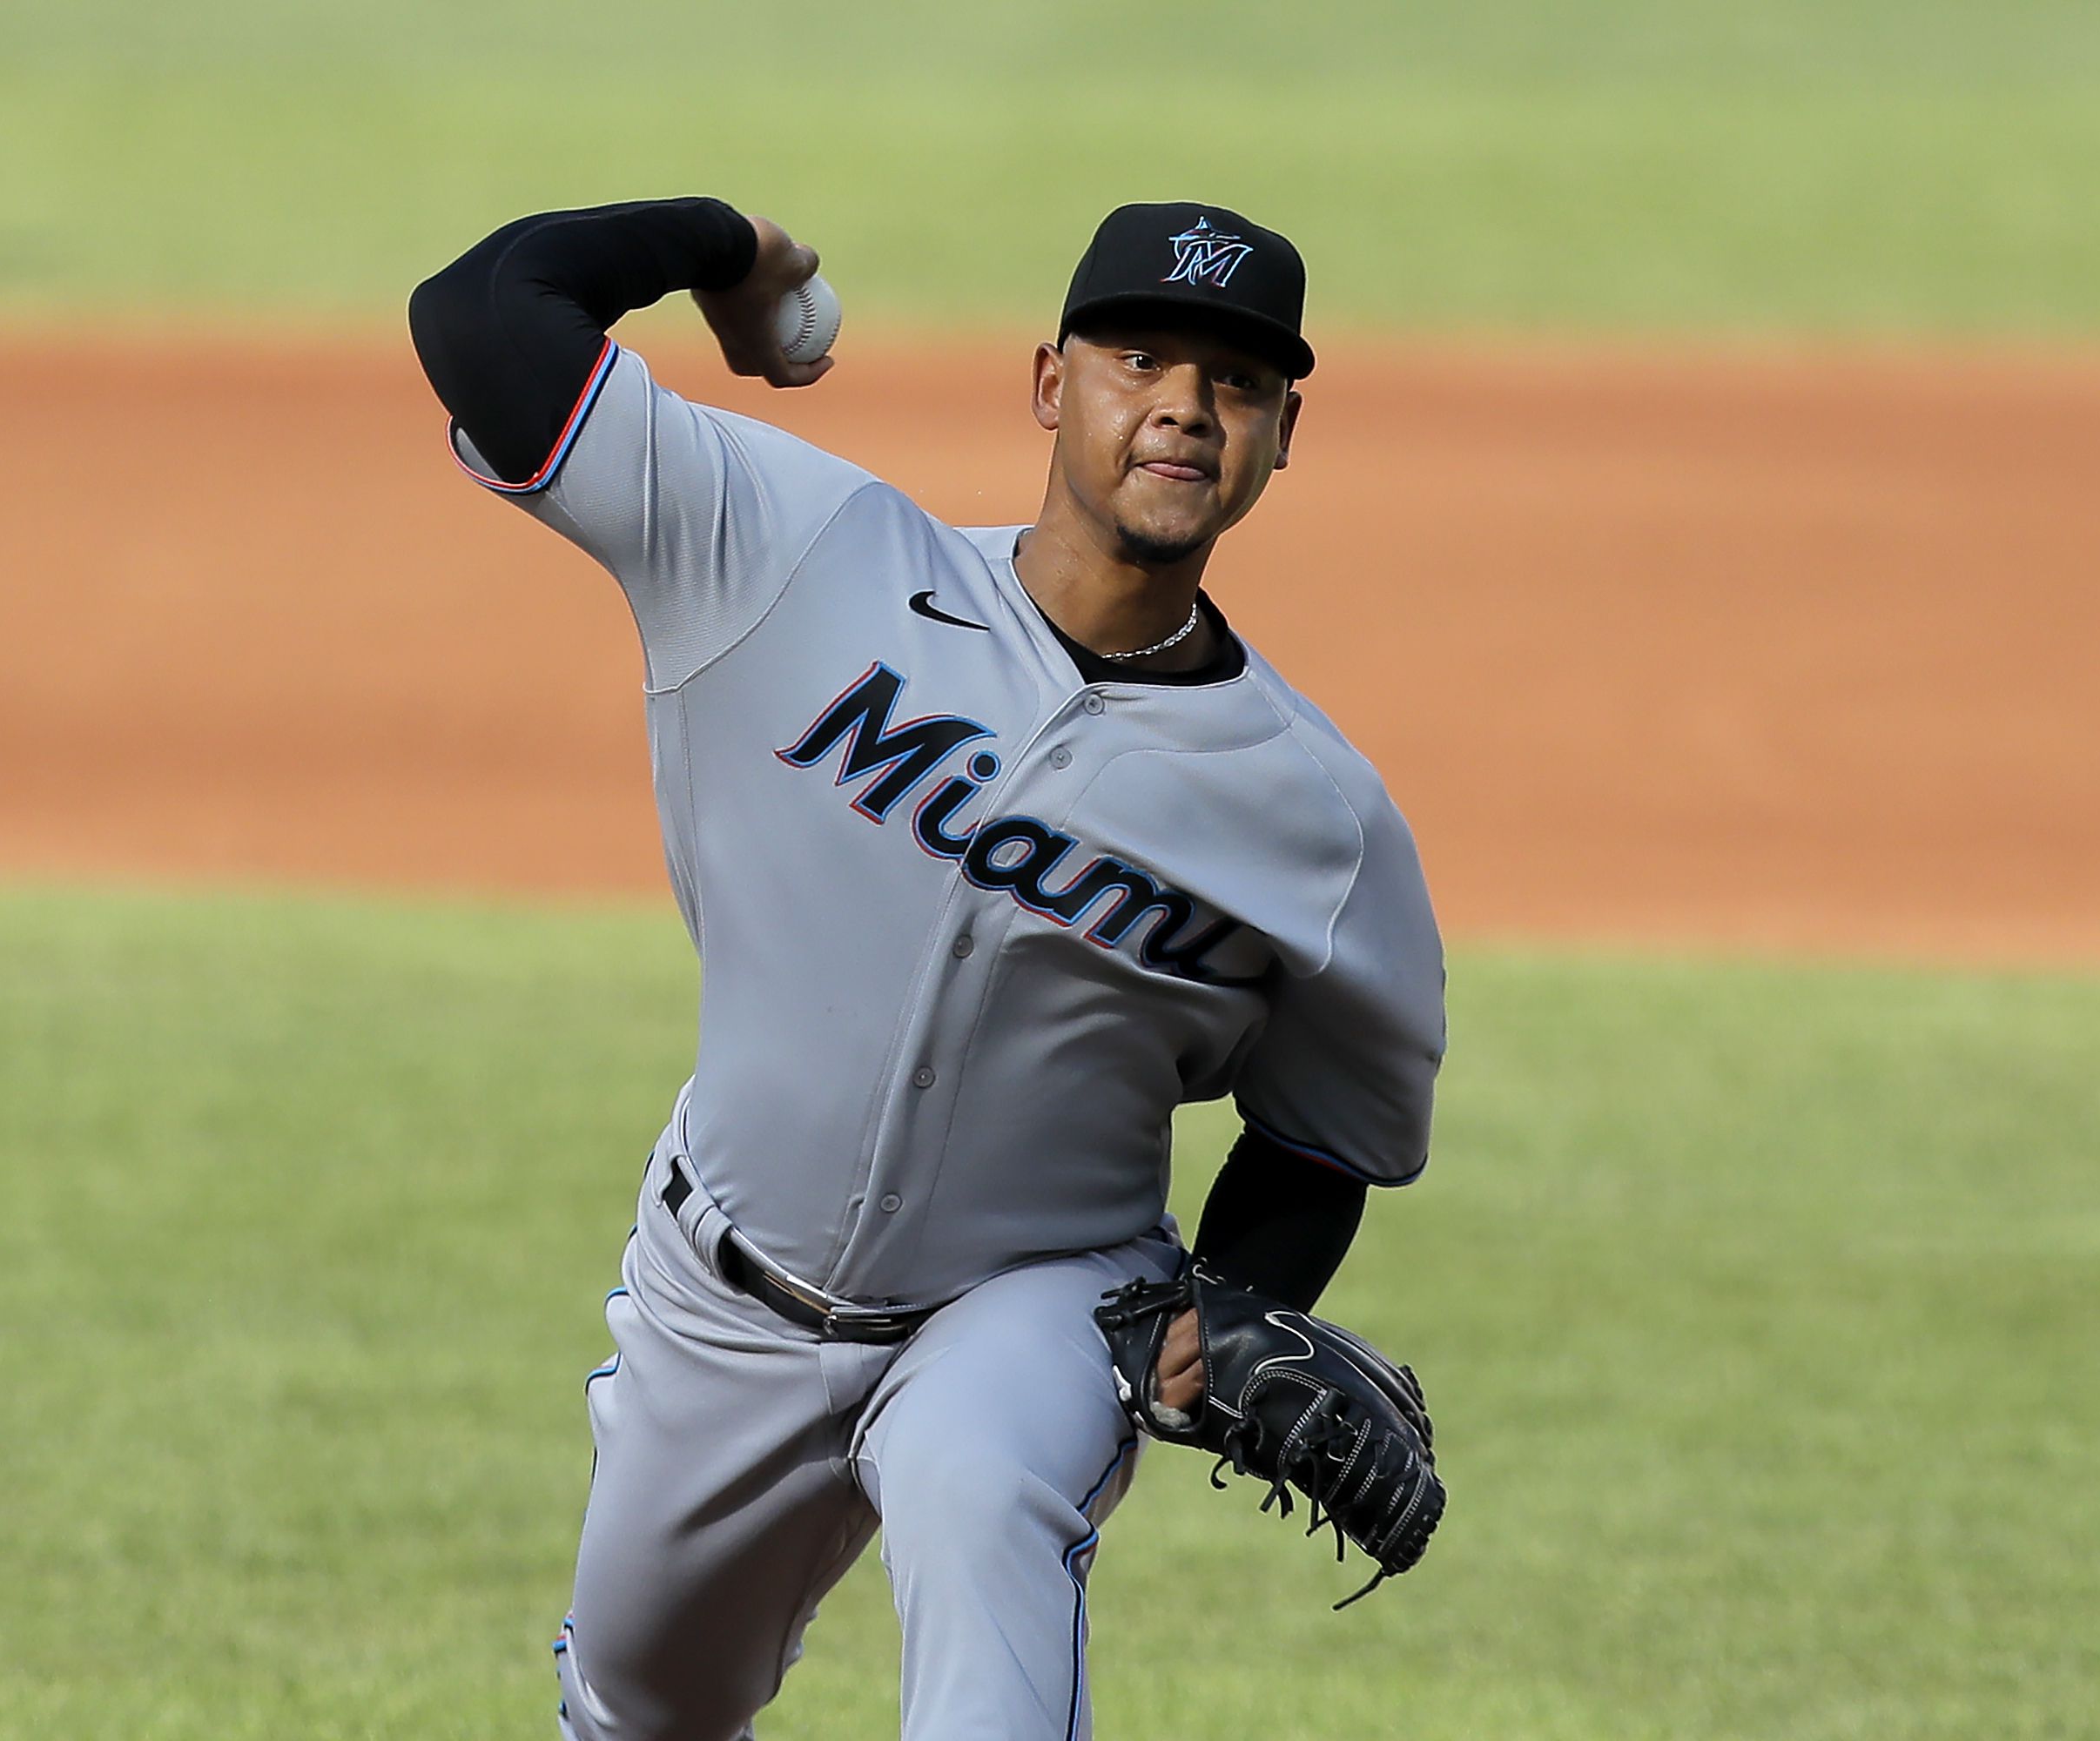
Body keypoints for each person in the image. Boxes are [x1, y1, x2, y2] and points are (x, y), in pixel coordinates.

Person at [408, 195, 1444, 1741]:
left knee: (979, 1493)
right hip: (723, 1292)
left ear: (1285, 433)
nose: (1182, 406)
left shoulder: (1320, 820)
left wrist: (1232, 1301)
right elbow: (483, 317)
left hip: (1034, 1301)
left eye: (1236, 382)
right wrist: (729, 249)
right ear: (1049, 382)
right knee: (640, 1711)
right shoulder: (798, 553)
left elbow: (1325, 1136)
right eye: (1139, 356)